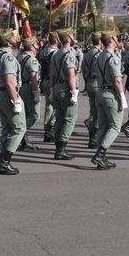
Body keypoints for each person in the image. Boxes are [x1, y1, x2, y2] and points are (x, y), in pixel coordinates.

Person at [0, 32, 25, 175]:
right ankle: (5, 161)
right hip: (8, 93)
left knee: (7, 128)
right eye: (12, 36)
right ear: (8, 42)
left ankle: (2, 160)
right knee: (19, 128)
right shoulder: (8, 58)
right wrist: (15, 100)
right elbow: (10, 81)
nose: (15, 37)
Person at [89, 32, 124, 169]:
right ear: (111, 40)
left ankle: (101, 157)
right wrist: (121, 96)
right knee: (115, 126)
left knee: (103, 126)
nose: (118, 40)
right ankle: (100, 153)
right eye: (116, 38)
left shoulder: (100, 55)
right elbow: (117, 79)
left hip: (100, 91)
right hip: (110, 92)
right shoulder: (112, 57)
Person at [48, 30, 81, 160]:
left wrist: (51, 89)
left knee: (60, 118)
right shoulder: (69, 54)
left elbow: (52, 74)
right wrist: (74, 92)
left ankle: (58, 146)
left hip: (57, 87)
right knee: (70, 118)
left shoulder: (56, 53)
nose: (74, 37)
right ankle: (61, 148)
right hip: (66, 88)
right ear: (68, 38)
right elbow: (71, 74)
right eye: (72, 35)